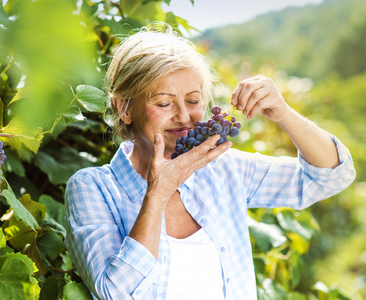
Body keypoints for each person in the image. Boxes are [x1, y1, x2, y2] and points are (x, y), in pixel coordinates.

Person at [63, 27, 356, 300]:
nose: (183, 116)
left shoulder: (221, 168)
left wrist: (283, 114)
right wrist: (158, 193)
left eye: (192, 101)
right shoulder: (93, 189)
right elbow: (115, 292)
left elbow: (331, 177)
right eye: (164, 103)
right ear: (124, 108)